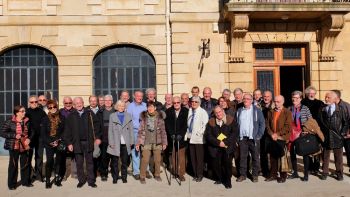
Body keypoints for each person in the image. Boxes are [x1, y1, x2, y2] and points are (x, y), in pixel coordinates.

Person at [64, 97, 101, 188]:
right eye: (76, 103)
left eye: (80, 102)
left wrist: (97, 138)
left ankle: (91, 181)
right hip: (77, 143)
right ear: (74, 105)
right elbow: (67, 131)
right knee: (79, 163)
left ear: (83, 103)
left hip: (88, 142)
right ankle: (81, 180)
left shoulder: (89, 113)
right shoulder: (71, 115)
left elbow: (96, 126)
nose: (79, 104)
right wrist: (69, 143)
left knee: (90, 162)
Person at [1, 105, 33, 190]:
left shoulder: (27, 121)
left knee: (25, 163)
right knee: (13, 165)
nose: (24, 113)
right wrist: (14, 135)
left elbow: (32, 131)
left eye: (24, 111)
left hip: (24, 145)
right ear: (17, 113)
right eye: (22, 111)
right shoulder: (9, 121)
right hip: (13, 145)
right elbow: (2, 132)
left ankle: (25, 182)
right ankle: (12, 184)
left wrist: (29, 139)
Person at [319, 91, 349, 181]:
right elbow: (319, 122)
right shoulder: (322, 109)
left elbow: (346, 123)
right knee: (325, 155)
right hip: (326, 136)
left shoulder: (340, 109)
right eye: (326, 97)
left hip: (337, 137)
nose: (326, 99)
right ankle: (325, 172)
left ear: (335, 99)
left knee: (338, 157)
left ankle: (339, 173)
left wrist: (342, 134)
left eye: (328, 97)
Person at [205, 106, 237, 189]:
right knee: (216, 165)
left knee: (227, 164)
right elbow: (208, 135)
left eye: (219, 112)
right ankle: (220, 178)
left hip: (228, 146)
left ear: (223, 111)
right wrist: (218, 143)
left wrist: (225, 142)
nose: (218, 114)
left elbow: (234, 134)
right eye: (216, 112)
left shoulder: (231, 120)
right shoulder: (211, 121)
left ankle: (228, 182)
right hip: (215, 147)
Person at [236, 93, 265, 183]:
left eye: (248, 99)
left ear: (252, 100)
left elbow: (262, 124)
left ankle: (255, 175)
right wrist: (237, 138)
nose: (246, 100)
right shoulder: (239, 111)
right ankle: (243, 174)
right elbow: (237, 124)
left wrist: (259, 135)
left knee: (255, 157)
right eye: (244, 99)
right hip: (243, 138)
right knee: (243, 157)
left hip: (254, 138)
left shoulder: (257, 110)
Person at [136, 101, 167, 184]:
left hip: (158, 142)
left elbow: (163, 131)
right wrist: (138, 143)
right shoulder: (144, 118)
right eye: (149, 107)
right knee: (145, 159)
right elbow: (140, 131)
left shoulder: (160, 118)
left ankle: (157, 175)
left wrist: (164, 143)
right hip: (146, 142)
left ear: (155, 108)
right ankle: (142, 176)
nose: (150, 108)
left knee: (157, 160)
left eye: (152, 107)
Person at [265, 95, 292, 183]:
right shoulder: (271, 112)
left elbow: (287, 126)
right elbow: (267, 125)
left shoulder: (287, 112)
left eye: (278, 102)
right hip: (272, 137)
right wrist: (272, 134)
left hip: (282, 137)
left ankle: (283, 175)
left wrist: (277, 134)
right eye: (275, 101)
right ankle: (273, 174)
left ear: (283, 102)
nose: (276, 103)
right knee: (273, 157)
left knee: (282, 157)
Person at [287, 91, 312, 180]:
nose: (295, 99)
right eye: (293, 98)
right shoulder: (289, 108)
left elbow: (310, 120)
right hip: (292, 134)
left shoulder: (305, 108)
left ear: (301, 99)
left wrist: (307, 130)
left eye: (297, 98)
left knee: (305, 154)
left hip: (302, 134)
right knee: (292, 154)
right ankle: (295, 173)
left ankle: (306, 174)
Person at [41, 100, 66, 188]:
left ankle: (57, 178)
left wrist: (58, 140)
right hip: (49, 143)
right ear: (48, 109)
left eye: (54, 107)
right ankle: (48, 180)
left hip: (59, 142)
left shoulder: (62, 118)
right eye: (50, 107)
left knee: (58, 161)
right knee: (49, 161)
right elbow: (43, 133)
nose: (52, 109)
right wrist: (50, 142)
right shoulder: (45, 119)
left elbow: (64, 131)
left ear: (57, 107)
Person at [107, 100, 134, 184]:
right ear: (117, 107)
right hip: (115, 142)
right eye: (120, 106)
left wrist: (132, 140)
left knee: (124, 162)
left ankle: (124, 177)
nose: (121, 107)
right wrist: (111, 142)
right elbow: (110, 130)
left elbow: (131, 130)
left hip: (126, 142)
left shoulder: (128, 116)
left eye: (123, 106)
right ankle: (115, 177)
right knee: (114, 162)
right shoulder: (112, 116)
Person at [301, 86, 325, 174]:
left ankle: (316, 167)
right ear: (307, 94)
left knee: (318, 148)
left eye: (313, 93)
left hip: (318, 128)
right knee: (308, 148)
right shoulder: (303, 102)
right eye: (309, 93)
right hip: (307, 129)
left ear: (315, 93)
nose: (311, 94)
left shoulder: (320, 103)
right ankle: (309, 167)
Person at [165, 96, 189, 181]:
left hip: (181, 137)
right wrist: (171, 134)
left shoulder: (186, 111)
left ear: (180, 103)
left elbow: (186, 124)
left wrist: (181, 134)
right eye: (174, 103)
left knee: (181, 156)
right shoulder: (168, 111)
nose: (176, 104)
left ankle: (181, 173)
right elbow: (167, 124)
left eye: (178, 102)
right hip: (172, 137)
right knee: (174, 155)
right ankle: (175, 172)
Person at [185, 96, 209, 182]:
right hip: (190, 137)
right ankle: (195, 174)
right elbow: (188, 123)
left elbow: (206, 125)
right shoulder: (190, 111)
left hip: (199, 139)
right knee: (192, 157)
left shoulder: (203, 112)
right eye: (192, 102)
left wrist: (200, 133)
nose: (193, 103)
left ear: (199, 103)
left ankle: (200, 174)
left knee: (199, 158)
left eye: (196, 102)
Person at [26, 95, 47, 182]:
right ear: (29, 103)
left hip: (40, 138)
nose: (34, 103)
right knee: (28, 158)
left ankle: (39, 176)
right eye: (32, 102)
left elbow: (46, 123)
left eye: (35, 102)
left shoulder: (42, 111)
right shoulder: (26, 112)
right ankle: (29, 176)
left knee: (39, 158)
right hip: (29, 139)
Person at [126, 90, 147, 180]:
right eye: (138, 96)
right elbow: (128, 120)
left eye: (141, 96)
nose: (140, 97)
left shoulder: (145, 105)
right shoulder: (130, 106)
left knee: (146, 151)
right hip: (135, 131)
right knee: (136, 152)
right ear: (134, 96)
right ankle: (136, 172)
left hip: (145, 131)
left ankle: (146, 170)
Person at [332, 89, 350, 172]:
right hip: (336, 135)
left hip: (347, 134)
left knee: (349, 153)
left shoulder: (346, 106)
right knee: (338, 154)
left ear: (336, 97)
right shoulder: (331, 106)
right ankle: (339, 171)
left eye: (331, 96)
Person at [59, 96, 76, 180]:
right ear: (63, 103)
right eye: (66, 103)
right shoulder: (60, 112)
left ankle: (74, 173)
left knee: (74, 155)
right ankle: (63, 174)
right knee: (63, 156)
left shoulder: (75, 111)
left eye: (70, 103)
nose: (68, 104)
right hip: (62, 137)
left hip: (74, 137)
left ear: (72, 102)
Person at [99, 95, 115, 181]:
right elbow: (97, 126)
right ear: (104, 102)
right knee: (104, 157)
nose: (108, 102)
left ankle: (114, 173)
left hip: (114, 138)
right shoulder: (100, 111)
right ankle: (103, 174)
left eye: (109, 100)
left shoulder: (115, 111)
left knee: (114, 157)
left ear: (112, 101)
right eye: (106, 100)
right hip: (104, 138)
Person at [260, 90, 274, 177]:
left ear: (271, 97)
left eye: (268, 96)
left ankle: (273, 171)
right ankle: (265, 171)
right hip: (262, 132)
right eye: (265, 96)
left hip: (272, 132)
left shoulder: (274, 105)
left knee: (272, 152)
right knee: (263, 152)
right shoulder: (259, 106)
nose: (266, 98)